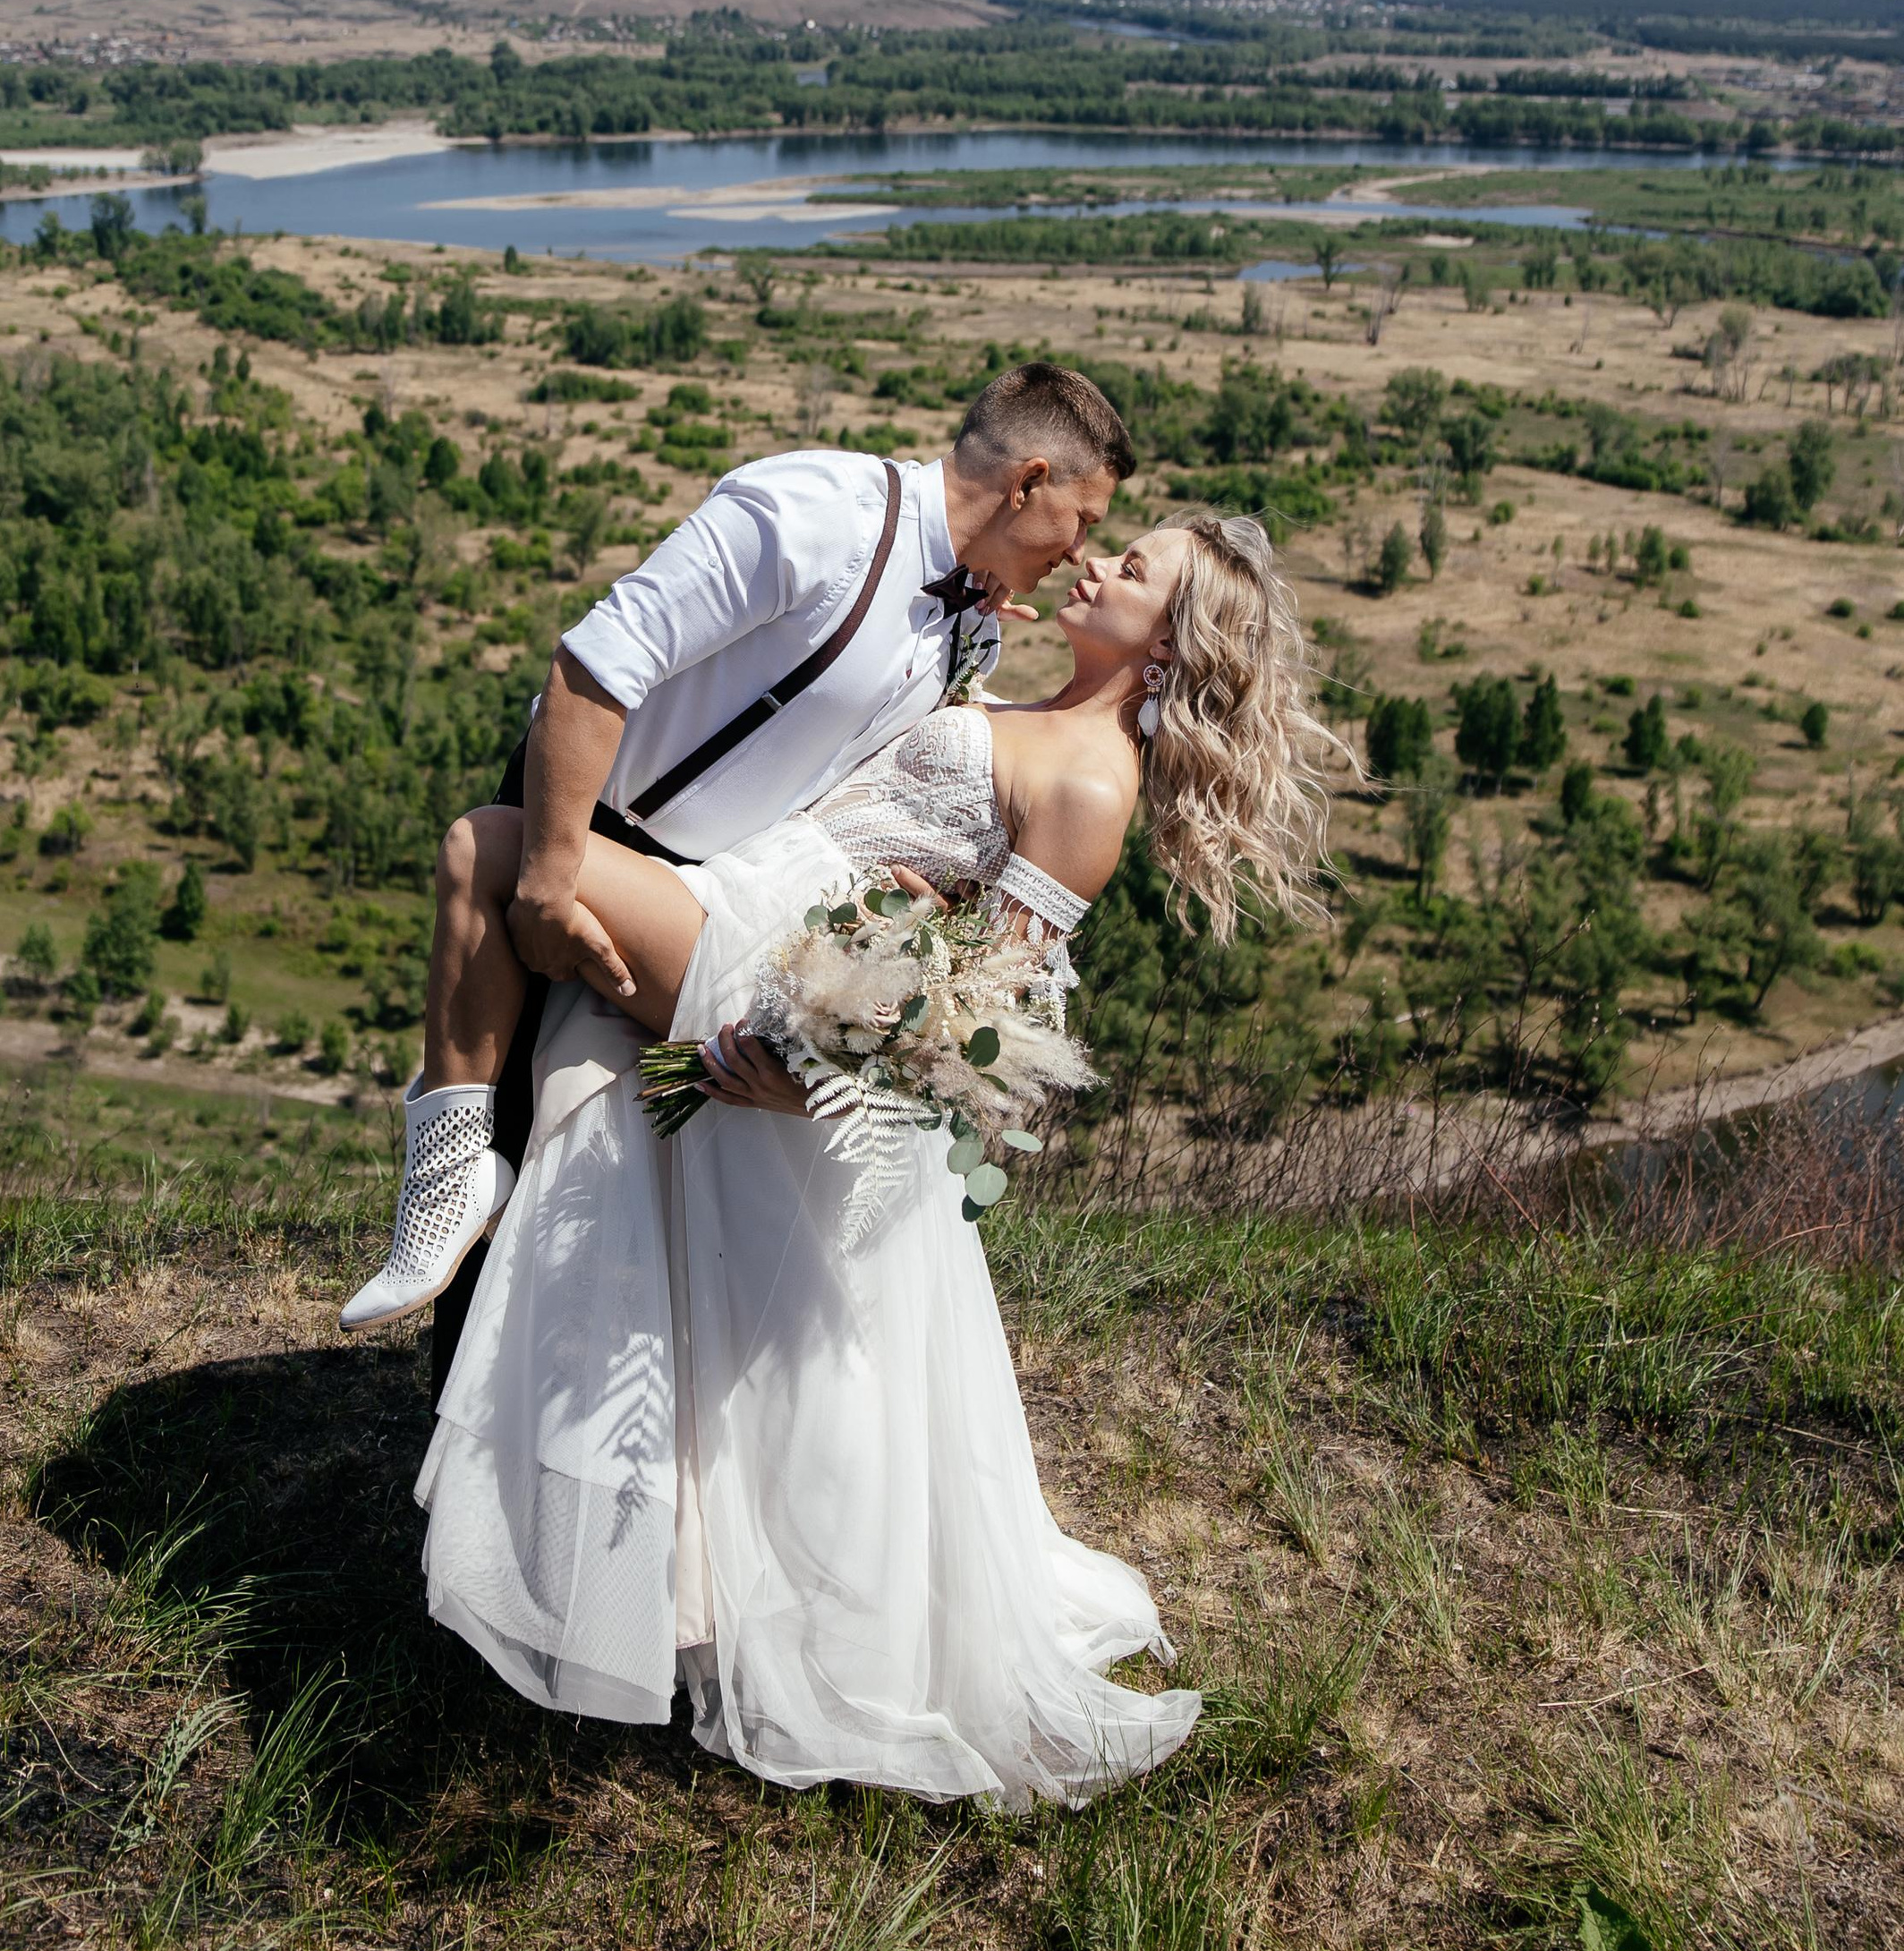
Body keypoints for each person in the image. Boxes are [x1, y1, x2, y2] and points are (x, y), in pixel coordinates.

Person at [412, 505, 1345, 1810]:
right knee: (713, 1334)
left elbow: (993, 1012)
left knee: (501, 845)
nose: (1097, 563)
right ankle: (663, 1581)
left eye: (1133, 569)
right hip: (765, 915)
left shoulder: (1090, 784)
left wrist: (824, 1083)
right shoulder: (1028, 706)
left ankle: (447, 1164)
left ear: (1175, 642)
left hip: (767, 967)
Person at [340, 360, 1135, 1339]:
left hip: (718, 901)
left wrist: (922, 913)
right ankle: (449, 1367)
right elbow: (597, 662)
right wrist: (548, 872)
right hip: (583, 828)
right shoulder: (818, 511)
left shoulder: (974, 631)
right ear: (1027, 484)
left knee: (581, 1171)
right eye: (1082, 521)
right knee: (504, 1122)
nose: (1080, 551)